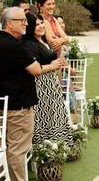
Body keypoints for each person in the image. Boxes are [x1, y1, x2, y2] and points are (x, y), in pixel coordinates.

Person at [0, 6, 45, 181]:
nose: (26, 24)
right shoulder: (11, 45)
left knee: (9, 146)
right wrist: (47, 64)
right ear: (10, 23)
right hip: (17, 104)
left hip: (7, 103)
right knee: (18, 147)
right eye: (22, 21)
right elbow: (36, 69)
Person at [24, 13, 72, 147]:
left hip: (51, 82)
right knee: (46, 116)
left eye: (41, 23)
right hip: (41, 85)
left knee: (56, 113)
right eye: (36, 24)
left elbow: (57, 57)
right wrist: (52, 66)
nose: (40, 26)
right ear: (30, 27)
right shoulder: (29, 44)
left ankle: (60, 146)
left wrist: (59, 54)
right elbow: (33, 68)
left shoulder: (44, 41)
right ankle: (46, 148)